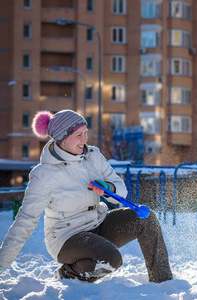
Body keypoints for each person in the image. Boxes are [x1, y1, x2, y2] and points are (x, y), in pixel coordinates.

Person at [0, 109, 173, 283]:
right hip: (67, 237)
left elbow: (121, 190)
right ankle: (67, 274)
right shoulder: (44, 174)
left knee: (146, 219)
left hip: (98, 224)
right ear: (62, 138)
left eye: (85, 133)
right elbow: (26, 219)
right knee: (110, 259)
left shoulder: (93, 157)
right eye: (78, 135)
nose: (85, 139)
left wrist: (108, 188)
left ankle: (163, 281)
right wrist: (3, 260)